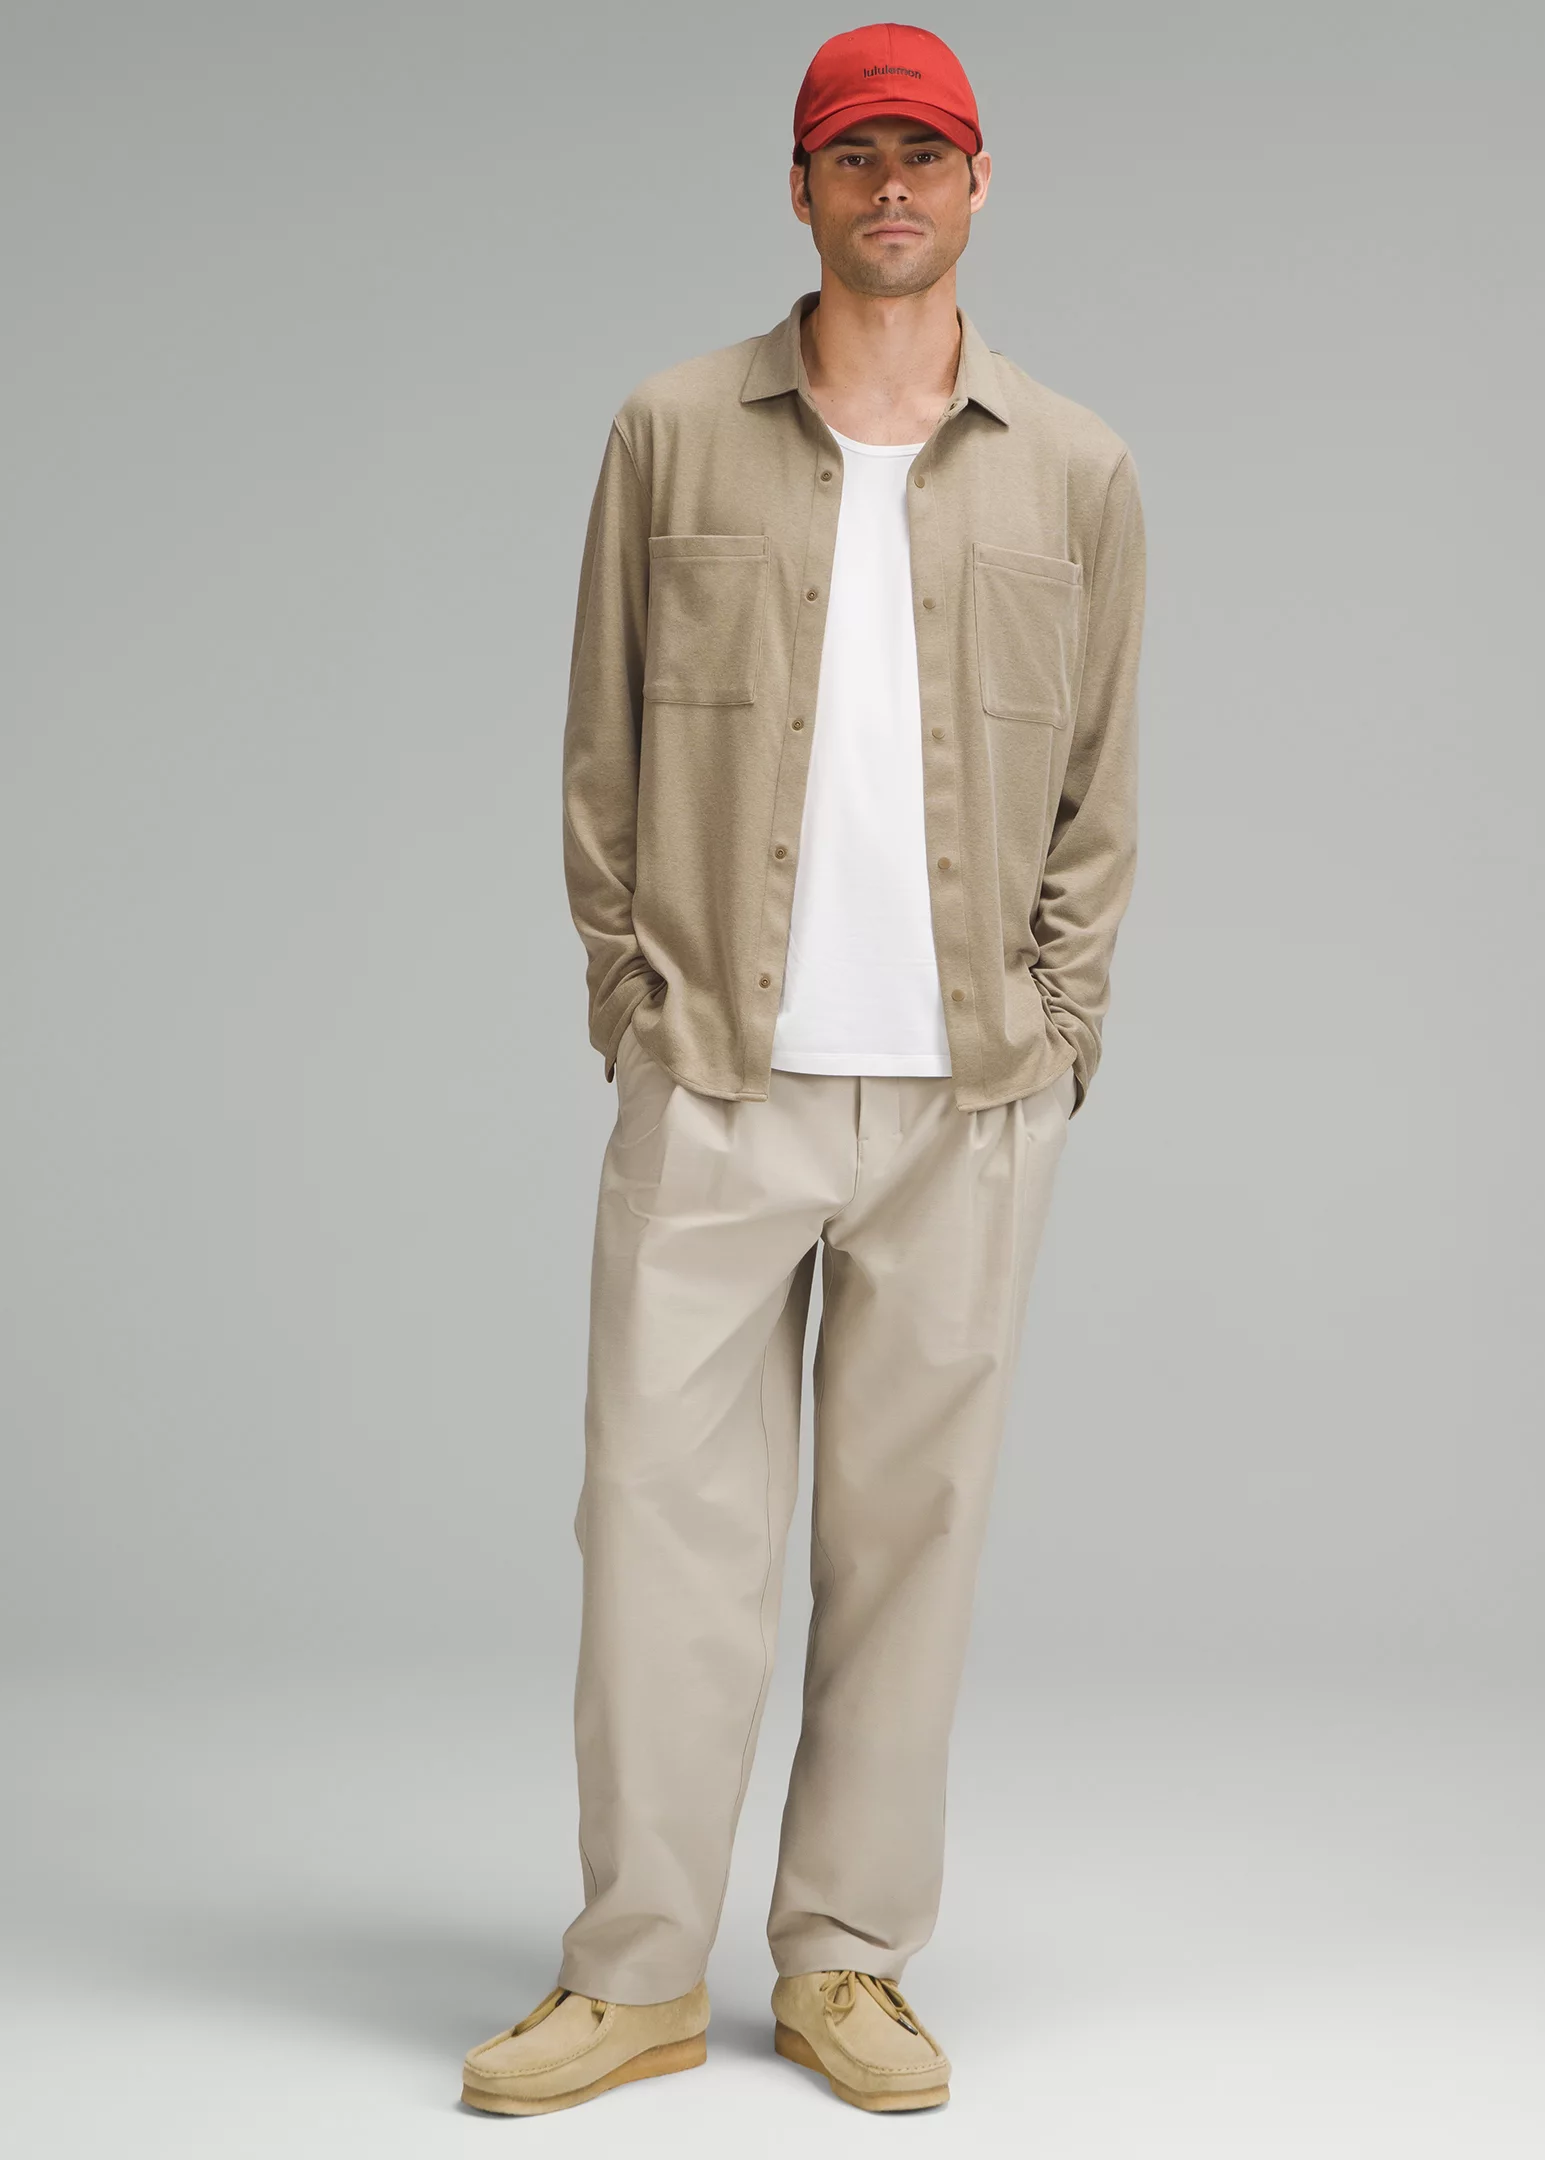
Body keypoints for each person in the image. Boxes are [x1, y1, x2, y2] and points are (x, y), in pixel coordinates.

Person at [460, 18, 1145, 2118]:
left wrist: (1059, 1041)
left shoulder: (1077, 469)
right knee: (654, 1531)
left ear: (981, 182)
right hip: (717, 1080)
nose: (893, 187)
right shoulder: (672, 433)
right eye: (856, 155)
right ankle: (636, 1974)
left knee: (908, 1545)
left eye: (926, 154)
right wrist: (631, 1004)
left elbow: (1102, 795)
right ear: (800, 186)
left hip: (968, 1103)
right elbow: (598, 753)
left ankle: (847, 1962)